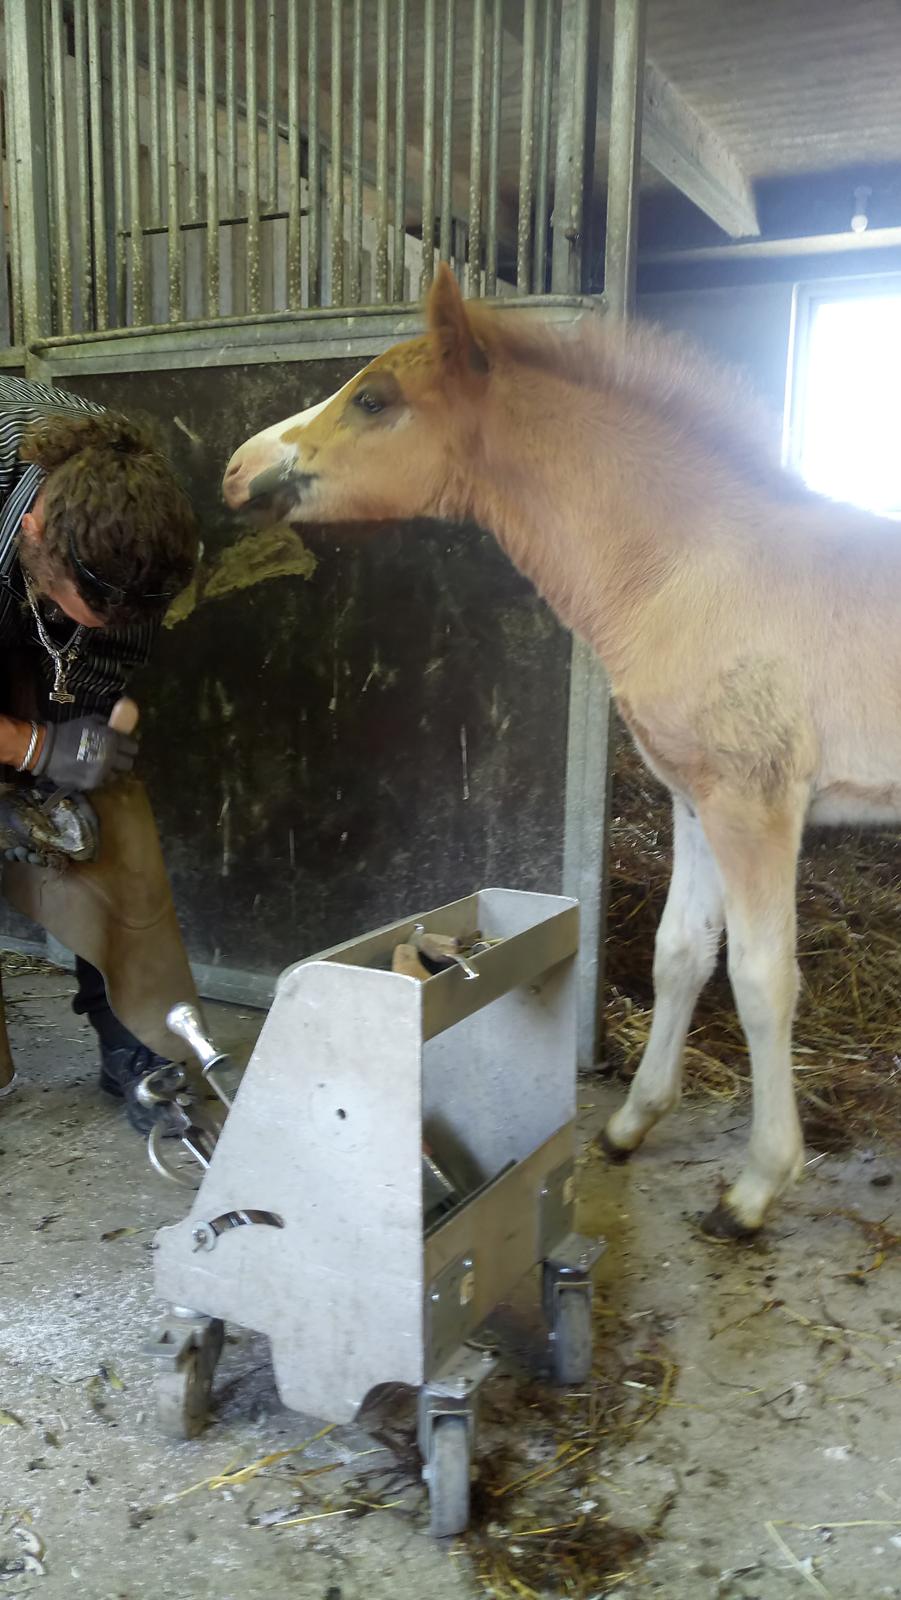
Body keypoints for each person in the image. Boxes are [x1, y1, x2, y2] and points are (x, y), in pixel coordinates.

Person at [0, 374, 200, 1131]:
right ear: (42, 528)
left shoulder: (134, 507)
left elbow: (109, 655)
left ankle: (137, 1036)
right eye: (97, 610)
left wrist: (90, 732)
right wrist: (34, 747)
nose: (115, 624)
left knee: (111, 802)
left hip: (30, 591)